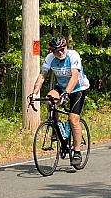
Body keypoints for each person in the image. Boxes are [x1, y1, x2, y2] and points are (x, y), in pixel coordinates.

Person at [31, 36, 90, 168]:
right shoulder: (50, 58)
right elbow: (42, 76)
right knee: (49, 99)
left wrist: (67, 93)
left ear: (66, 47)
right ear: (52, 51)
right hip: (62, 87)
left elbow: (74, 76)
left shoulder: (73, 55)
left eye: (62, 49)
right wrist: (34, 93)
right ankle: (55, 126)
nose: (60, 53)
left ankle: (77, 151)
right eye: (56, 51)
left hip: (78, 88)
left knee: (73, 119)